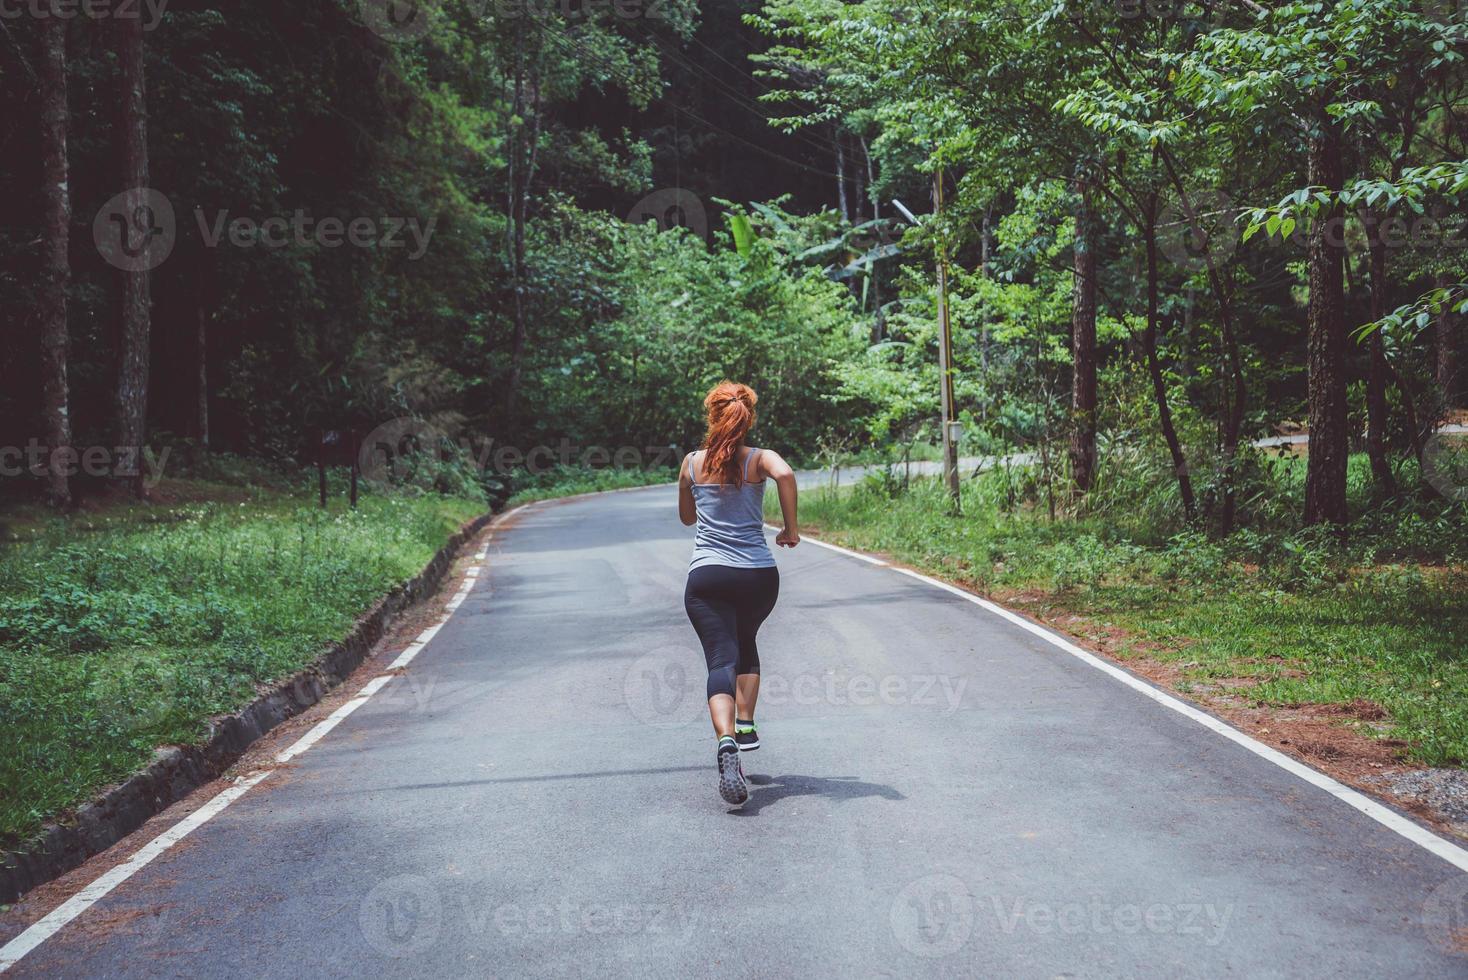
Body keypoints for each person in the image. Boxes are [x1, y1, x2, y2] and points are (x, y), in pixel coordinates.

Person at [678, 381, 799, 806]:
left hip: (708, 576)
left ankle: (727, 740)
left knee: (720, 657)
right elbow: (785, 474)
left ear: (712, 416)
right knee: (746, 640)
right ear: (748, 417)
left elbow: (687, 518)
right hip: (758, 576)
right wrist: (790, 528)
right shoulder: (760, 459)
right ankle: (746, 723)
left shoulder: (692, 464)